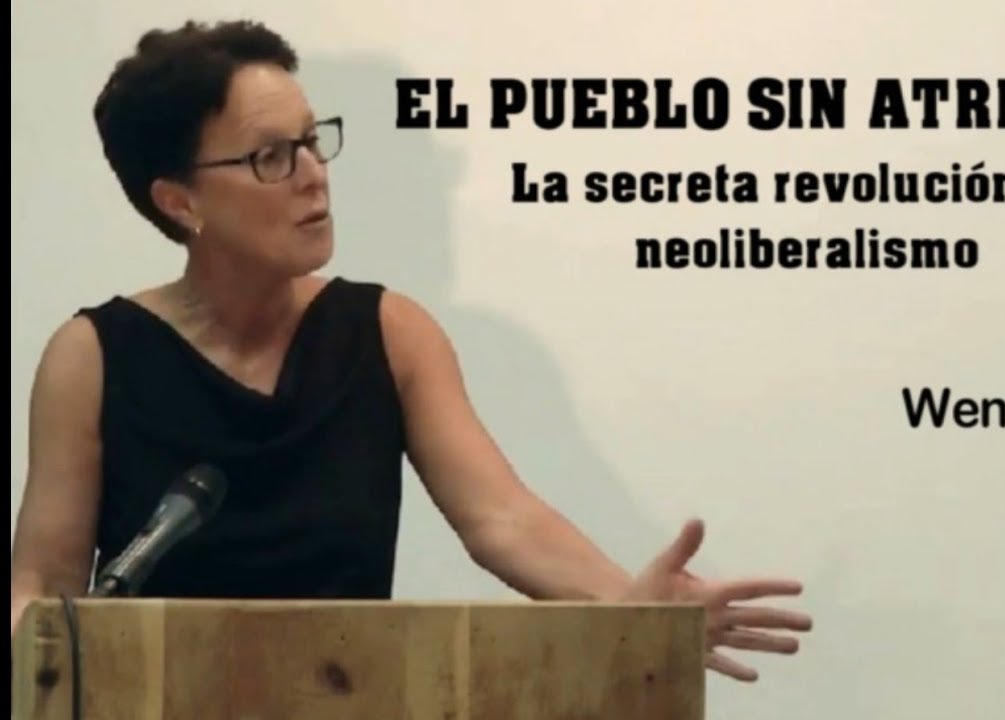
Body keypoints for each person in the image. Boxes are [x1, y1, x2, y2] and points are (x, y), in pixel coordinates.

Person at [8, 19, 811, 683]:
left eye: (313, 142)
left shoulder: (387, 332)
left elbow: (501, 517)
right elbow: (42, 585)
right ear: (180, 201)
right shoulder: (94, 356)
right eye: (270, 157)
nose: (314, 176)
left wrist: (633, 609)